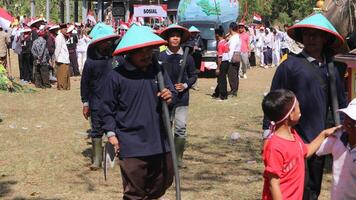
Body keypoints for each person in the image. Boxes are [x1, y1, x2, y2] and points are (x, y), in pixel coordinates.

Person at [262, 13, 347, 200]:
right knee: (292, 188)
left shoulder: (333, 68)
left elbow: (341, 103)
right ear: (302, 38)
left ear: (325, 38)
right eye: (307, 34)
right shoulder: (289, 66)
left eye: (316, 34)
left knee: (313, 189)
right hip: (293, 140)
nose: (312, 38)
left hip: (321, 141)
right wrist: (267, 134)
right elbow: (274, 100)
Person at [100, 24, 176, 200]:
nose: (146, 54)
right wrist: (111, 134)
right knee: (135, 191)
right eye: (140, 51)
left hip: (159, 139)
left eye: (149, 50)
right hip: (131, 141)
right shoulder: (116, 76)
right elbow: (107, 108)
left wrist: (169, 96)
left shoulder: (158, 71)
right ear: (130, 53)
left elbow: (173, 95)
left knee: (163, 181)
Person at [261, 89, 341, 200]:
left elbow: (305, 152)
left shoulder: (293, 134)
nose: (300, 109)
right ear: (291, 116)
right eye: (298, 106)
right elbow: (273, 184)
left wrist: (324, 134)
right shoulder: (274, 147)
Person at [80, 23, 120, 170]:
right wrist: (85, 103)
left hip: (115, 101)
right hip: (96, 102)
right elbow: (85, 83)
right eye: (104, 41)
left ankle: (115, 156)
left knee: (115, 129)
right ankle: (97, 160)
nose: (107, 43)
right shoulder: (90, 62)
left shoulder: (116, 59)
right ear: (97, 43)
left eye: (109, 41)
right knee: (96, 130)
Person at [159, 24, 198, 168]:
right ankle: (166, 157)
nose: (175, 39)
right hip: (166, 99)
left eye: (178, 36)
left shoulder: (187, 57)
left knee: (180, 128)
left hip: (182, 99)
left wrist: (185, 85)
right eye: (172, 36)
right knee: (165, 127)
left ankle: (178, 159)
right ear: (167, 39)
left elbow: (194, 75)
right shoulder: (160, 57)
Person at [316, 98, 356, 200]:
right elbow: (314, 150)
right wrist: (324, 134)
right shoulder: (338, 137)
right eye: (347, 117)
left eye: (353, 119)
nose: (348, 122)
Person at [212, 28, 229, 100]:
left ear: (217, 35)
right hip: (227, 62)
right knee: (222, 79)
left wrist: (218, 68)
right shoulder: (225, 42)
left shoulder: (220, 44)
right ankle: (217, 92)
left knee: (221, 80)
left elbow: (220, 57)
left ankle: (223, 96)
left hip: (222, 62)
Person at [54, 23, 71, 90]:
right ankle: (61, 86)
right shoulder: (59, 37)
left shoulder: (62, 37)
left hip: (65, 58)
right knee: (62, 74)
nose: (66, 30)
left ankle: (65, 86)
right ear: (61, 30)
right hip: (61, 58)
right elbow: (58, 48)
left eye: (66, 29)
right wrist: (56, 58)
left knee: (65, 74)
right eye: (64, 29)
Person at [227, 22, 241, 97]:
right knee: (235, 75)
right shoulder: (237, 36)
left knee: (232, 75)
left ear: (231, 28)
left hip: (232, 58)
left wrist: (229, 60)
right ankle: (234, 90)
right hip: (237, 57)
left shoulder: (233, 38)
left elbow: (231, 49)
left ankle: (233, 90)